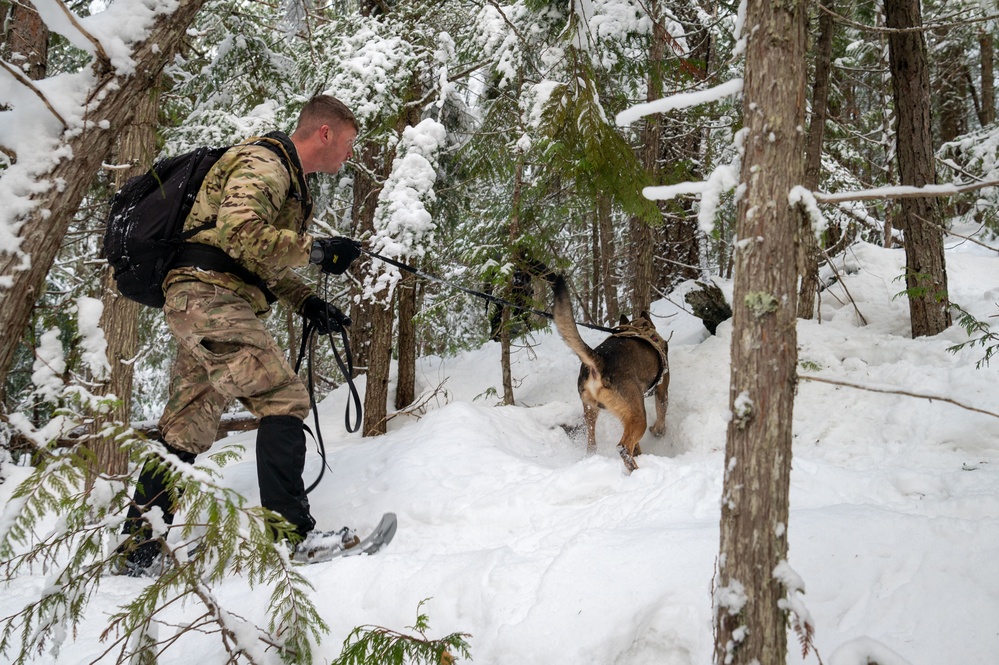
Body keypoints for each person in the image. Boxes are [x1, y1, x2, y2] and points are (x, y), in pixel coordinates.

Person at [117, 94, 364, 575]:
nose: (349, 156)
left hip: (201, 299)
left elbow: (251, 257)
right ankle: (295, 538)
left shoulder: (286, 177)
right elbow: (238, 233)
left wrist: (306, 300)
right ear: (325, 133)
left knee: (186, 427)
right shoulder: (267, 162)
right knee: (283, 398)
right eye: (349, 143)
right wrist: (317, 251)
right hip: (210, 301)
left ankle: (136, 553)